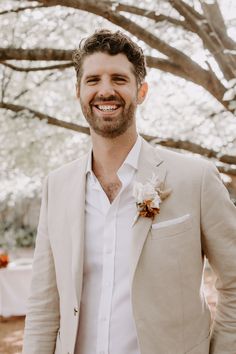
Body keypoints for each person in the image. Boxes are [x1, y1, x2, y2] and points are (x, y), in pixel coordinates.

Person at [22, 29, 236, 354]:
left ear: (142, 91)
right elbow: (43, 305)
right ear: (78, 91)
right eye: (93, 80)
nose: (105, 90)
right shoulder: (58, 186)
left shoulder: (197, 179)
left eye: (119, 79)